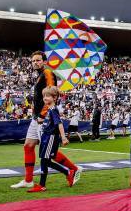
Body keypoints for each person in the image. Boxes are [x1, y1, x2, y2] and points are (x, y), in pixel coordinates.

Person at [12, 51, 78, 189]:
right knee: (29, 146)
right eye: (33, 61)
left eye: (38, 60)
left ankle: (72, 169)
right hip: (36, 118)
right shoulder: (40, 75)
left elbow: (52, 93)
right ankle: (28, 180)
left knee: (48, 153)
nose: (35, 62)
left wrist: (43, 115)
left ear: (44, 61)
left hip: (43, 119)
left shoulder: (47, 73)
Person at [28, 86, 81, 192]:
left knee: (44, 161)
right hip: (46, 137)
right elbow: (46, 121)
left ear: (55, 97)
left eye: (47, 96)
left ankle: (43, 185)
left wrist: (64, 137)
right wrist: (40, 120)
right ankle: (67, 173)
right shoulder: (48, 109)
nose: (45, 98)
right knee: (45, 161)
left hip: (50, 137)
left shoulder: (53, 110)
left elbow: (59, 124)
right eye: (44, 96)